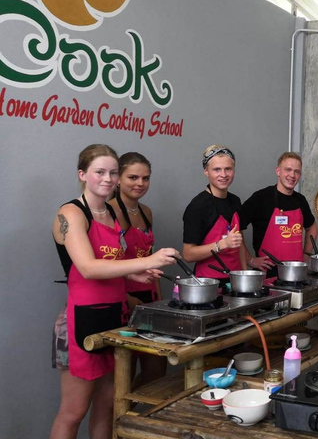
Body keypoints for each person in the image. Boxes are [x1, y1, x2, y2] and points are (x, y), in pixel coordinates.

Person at [50, 144, 177, 439]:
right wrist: (149, 259)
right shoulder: (70, 212)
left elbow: (112, 262)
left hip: (114, 320)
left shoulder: (110, 212)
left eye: (112, 172)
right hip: (80, 322)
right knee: (74, 411)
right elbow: (88, 268)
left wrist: (135, 273)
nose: (107, 179)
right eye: (99, 172)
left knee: (108, 405)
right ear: (83, 174)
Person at [107, 152, 166, 388]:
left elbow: (153, 260)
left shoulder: (146, 212)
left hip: (149, 300)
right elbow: (106, 262)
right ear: (118, 179)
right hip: (124, 300)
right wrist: (128, 299)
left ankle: (134, 418)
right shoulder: (108, 212)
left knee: (156, 371)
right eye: (133, 177)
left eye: (145, 178)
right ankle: (121, 419)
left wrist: (160, 301)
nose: (140, 184)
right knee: (123, 375)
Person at [241, 152, 317, 279]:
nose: (292, 175)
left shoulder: (300, 200)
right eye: (288, 170)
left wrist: (307, 253)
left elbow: (312, 226)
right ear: (278, 171)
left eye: (297, 172)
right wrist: (250, 260)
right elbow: (235, 227)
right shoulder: (261, 198)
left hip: (296, 274)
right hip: (268, 275)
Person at [182, 145, 246, 282]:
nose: (223, 175)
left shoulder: (235, 201)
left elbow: (239, 242)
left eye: (228, 169)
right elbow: (188, 254)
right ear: (206, 171)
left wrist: (245, 275)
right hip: (208, 282)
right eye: (217, 170)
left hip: (235, 278)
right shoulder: (198, 206)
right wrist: (221, 244)